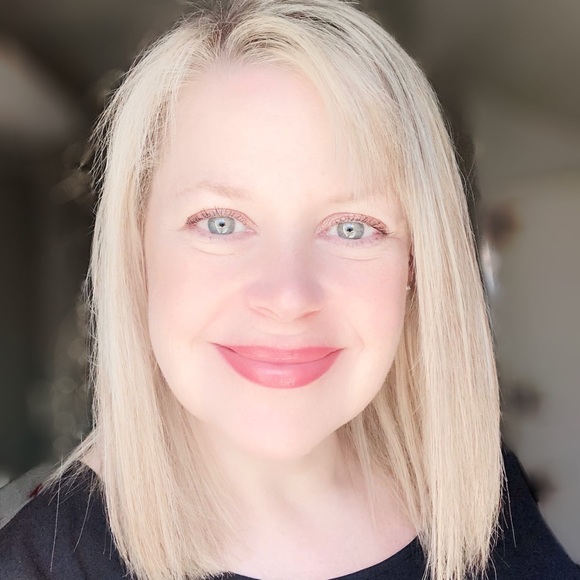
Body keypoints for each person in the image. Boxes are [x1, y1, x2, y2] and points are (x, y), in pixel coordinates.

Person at [0, 1, 578, 579]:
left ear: (415, 263)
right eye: (220, 222)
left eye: (351, 228)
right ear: (138, 251)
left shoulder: (478, 495)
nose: (288, 297)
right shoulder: (38, 563)